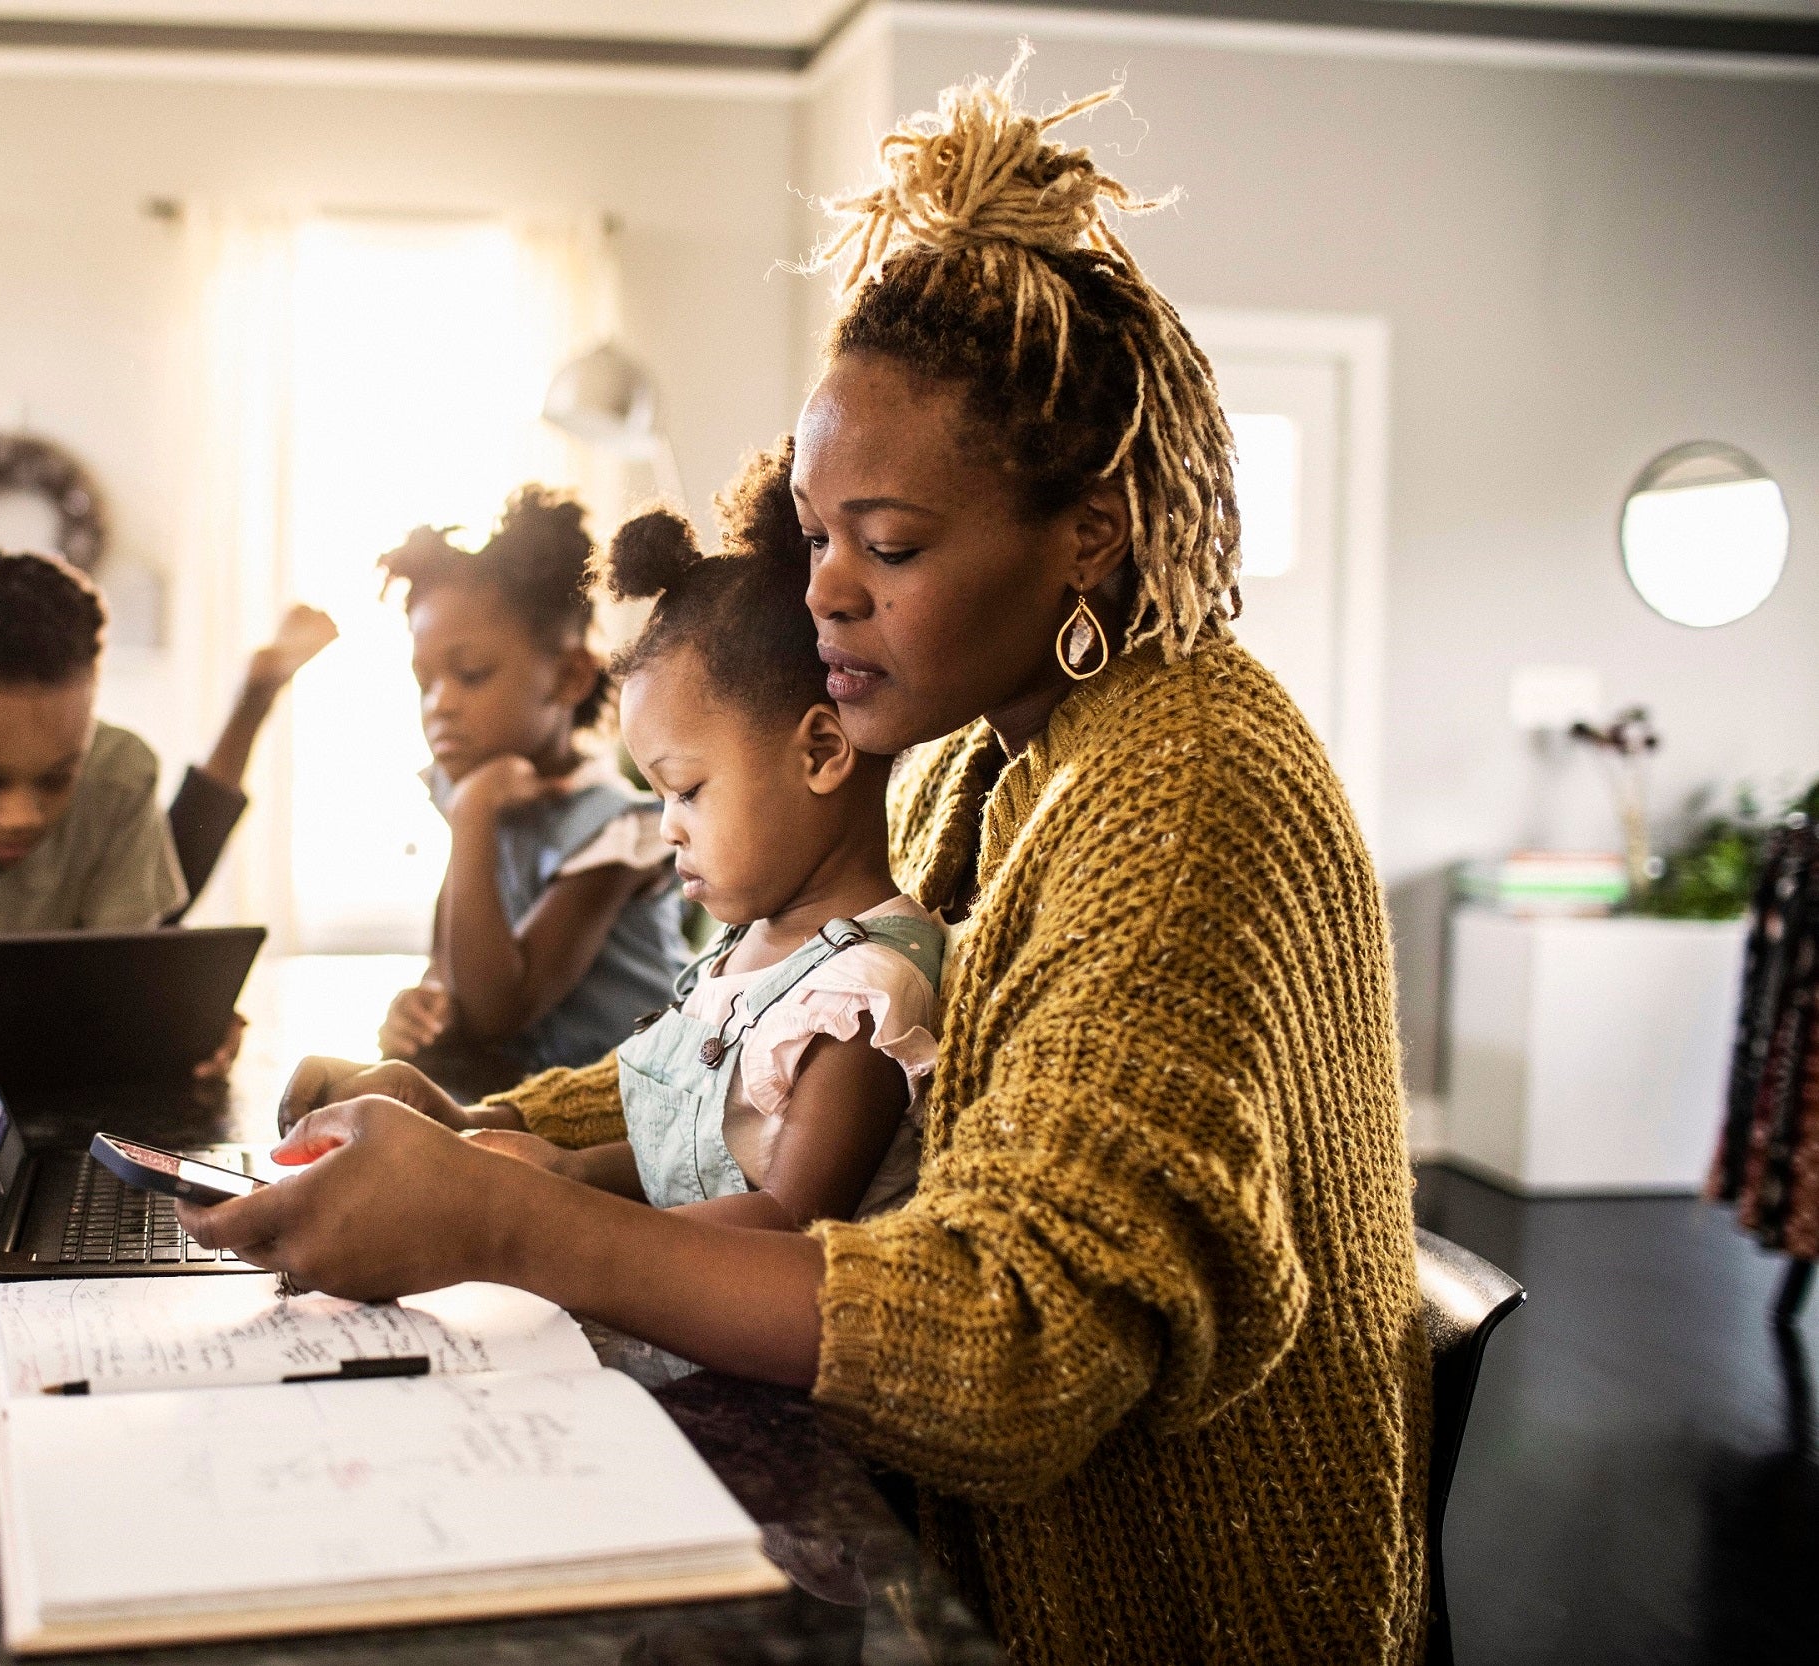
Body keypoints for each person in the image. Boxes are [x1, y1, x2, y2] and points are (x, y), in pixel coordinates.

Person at [180, 56, 1427, 1666]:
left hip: (1157, 1604)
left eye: (891, 546)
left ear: (1092, 535)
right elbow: (760, 1027)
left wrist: (505, 1222)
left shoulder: (1183, 794)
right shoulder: (1000, 739)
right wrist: (479, 1132)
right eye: (820, 532)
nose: (827, 593)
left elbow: (1016, 1343)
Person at [468, 490, 945, 1256]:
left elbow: (784, 1225)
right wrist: (562, 1171)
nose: (667, 827)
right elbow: (694, 1158)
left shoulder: (861, 996)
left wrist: (544, 1221)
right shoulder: (745, 948)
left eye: (687, 791)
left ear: (821, 752)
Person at [0, 548, 334, 1066]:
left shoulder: (120, 769)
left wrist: (172, 1019)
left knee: (170, 897)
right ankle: (254, 698)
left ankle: (253, 701)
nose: (22, 816)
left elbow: (127, 975)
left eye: (59, 778)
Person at [374, 487, 687, 1093]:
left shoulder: (618, 828)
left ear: (569, 676)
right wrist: (422, 1009)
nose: (439, 705)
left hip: (628, 1112)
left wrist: (472, 818)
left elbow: (499, 1009)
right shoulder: (475, 796)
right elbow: (454, 976)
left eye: (470, 675)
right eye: (424, 682)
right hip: (521, 1100)